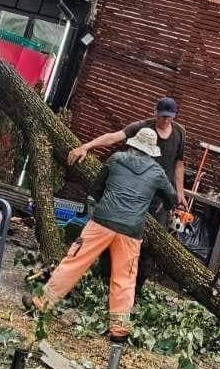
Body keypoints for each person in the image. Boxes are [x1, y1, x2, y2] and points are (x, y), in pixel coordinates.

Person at [30, 128, 176, 342]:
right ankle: (118, 330)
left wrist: (105, 205)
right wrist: (155, 202)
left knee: (75, 262)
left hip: (101, 222)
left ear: (133, 144)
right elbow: (171, 199)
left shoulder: (115, 159)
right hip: (132, 231)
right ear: (152, 151)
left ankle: (42, 304)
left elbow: (96, 189)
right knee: (125, 278)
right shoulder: (157, 172)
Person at [68, 97, 187, 292]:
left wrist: (179, 193)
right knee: (117, 234)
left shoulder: (180, 133)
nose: (166, 120)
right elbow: (113, 137)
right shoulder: (141, 128)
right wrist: (86, 147)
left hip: (159, 195)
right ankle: (104, 279)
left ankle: (136, 288)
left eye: (170, 117)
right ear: (155, 112)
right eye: (163, 116)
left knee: (150, 246)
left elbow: (179, 164)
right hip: (135, 192)